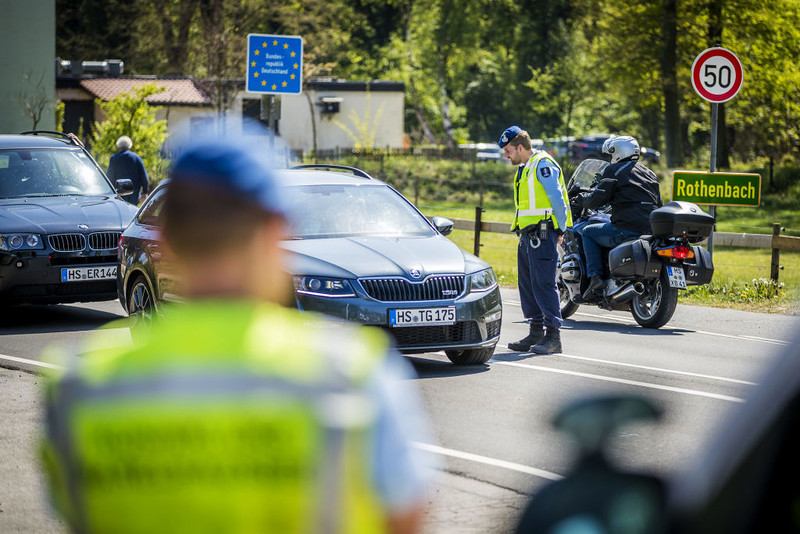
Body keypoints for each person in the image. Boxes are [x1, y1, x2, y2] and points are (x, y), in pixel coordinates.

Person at [40, 136, 433, 534]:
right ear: (274, 234)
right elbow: (404, 519)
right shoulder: (354, 375)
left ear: (170, 239)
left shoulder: (79, 388)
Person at [499, 126, 572, 355]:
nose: (506, 155)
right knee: (529, 284)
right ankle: (536, 330)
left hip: (543, 233)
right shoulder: (525, 168)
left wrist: (560, 228)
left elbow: (557, 200)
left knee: (544, 283)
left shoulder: (543, 165)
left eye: (508, 150)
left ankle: (553, 336)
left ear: (520, 147)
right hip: (528, 235)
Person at [574, 136, 663, 300]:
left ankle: (595, 279)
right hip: (651, 230)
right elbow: (659, 203)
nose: (609, 158)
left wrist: (582, 200)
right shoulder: (649, 173)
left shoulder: (614, 170)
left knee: (587, 232)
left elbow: (597, 199)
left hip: (627, 229)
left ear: (618, 152)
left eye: (610, 153)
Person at [106, 135, 149, 205]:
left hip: (118, 195)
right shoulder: (136, 158)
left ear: (118, 146)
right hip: (134, 195)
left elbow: (110, 176)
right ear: (129, 146)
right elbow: (144, 177)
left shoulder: (114, 158)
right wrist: (145, 192)